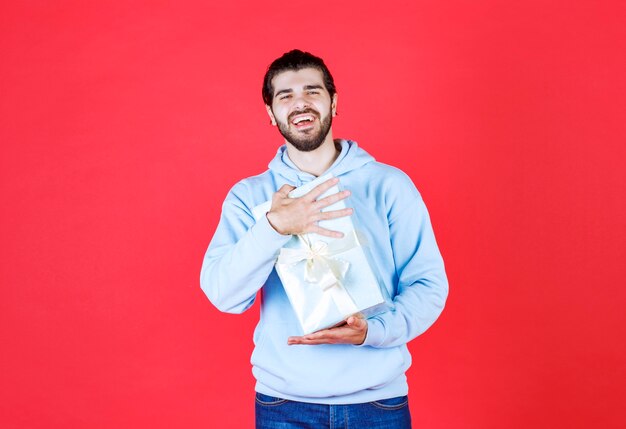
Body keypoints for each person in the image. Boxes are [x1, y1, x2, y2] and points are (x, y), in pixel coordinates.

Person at [200, 49, 448, 428]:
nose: (300, 102)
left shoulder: (389, 185)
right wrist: (274, 227)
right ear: (271, 113)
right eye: (285, 95)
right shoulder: (249, 197)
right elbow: (224, 294)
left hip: (378, 401)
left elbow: (429, 285)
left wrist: (373, 331)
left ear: (334, 102)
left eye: (312, 91)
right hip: (284, 403)